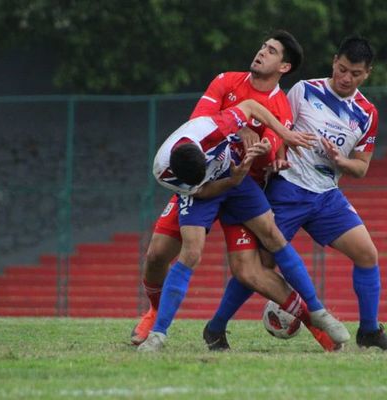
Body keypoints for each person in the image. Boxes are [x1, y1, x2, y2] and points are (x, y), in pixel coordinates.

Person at [132, 30, 340, 352]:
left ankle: (318, 323)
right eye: (262, 47)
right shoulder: (226, 82)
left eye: (270, 50)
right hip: (203, 179)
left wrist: (266, 150)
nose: (260, 53)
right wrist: (239, 128)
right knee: (158, 254)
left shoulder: (281, 106)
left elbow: (271, 149)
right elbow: (199, 122)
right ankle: (155, 316)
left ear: (283, 67)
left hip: (243, 183)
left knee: (250, 270)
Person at [204, 35, 387, 352]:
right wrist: (280, 152)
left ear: (367, 73)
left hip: (327, 197)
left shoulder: (367, 113)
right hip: (288, 189)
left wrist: (342, 161)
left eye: (354, 73)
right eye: (341, 69)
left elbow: (362, 167)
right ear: (334, 61)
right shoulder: (304, 90)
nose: (345, 77)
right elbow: (279, 127)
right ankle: (216, 328)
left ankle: (369, 331)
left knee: (367, 254)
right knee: (261, 264)